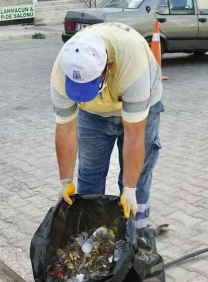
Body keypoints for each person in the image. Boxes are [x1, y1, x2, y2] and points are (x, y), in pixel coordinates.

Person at [51, 23, 163, 231]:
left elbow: (134, 135)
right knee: (90, 174)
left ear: (108, 66)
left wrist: (129, 190)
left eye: (90, 84)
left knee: (135, 179)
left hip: (140, 106)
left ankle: (136, 236)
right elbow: (65, 129)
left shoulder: (133, 63)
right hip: (93, 115)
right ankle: (91, 234)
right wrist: (65, 181)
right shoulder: (62, 67)